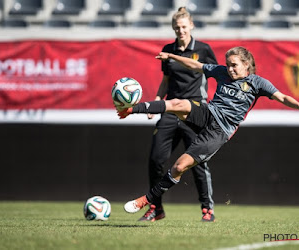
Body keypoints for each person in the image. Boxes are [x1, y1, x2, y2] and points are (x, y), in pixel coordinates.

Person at [118, 46, 299, 220]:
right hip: (208, 113)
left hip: (220, 130)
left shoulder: (258, 83)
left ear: (246, 64)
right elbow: (195, 65)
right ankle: (131, 110)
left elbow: (282, 97)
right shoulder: (221, 72)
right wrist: (172, 57)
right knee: (177, 103)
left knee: (179, 167)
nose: (229, 69)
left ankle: (148, 199)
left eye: (234, 65)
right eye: (227, 64)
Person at [141, 7, 218, 222]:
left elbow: (216, 74)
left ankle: (207, 209)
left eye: (184, 26)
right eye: (177, 27)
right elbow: (166, 81)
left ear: (191, 26)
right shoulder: (168, 50)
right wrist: (156, 102)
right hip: (170, 110)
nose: (181, 30)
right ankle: (156, 209)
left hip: (195, 111)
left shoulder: (203, 49)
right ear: (173, 28)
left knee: (197, 162)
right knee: (156, 159)